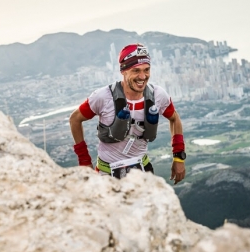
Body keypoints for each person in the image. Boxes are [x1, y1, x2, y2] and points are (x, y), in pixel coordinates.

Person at [69, 43, 186, 184]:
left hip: (143, 171)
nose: (142, 76)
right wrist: (84, 161)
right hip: (107, 175)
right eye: (136, 71)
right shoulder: (103, 96)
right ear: (123, 71)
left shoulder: (157, 95)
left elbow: (175, 119)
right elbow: (75, 119)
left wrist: (178, 157)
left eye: (146, 70)